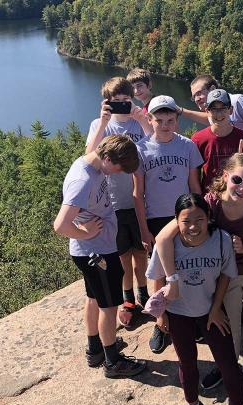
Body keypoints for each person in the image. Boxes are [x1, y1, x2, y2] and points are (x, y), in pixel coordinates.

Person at [154, 153, 243, 405]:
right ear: (225, 176)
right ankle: (226, 366)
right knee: (226, 325)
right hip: (222, 276)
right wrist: (172, 280)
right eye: (237, 180)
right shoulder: (209, 204)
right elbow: (165, 237)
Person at [145, 193, 243, 405]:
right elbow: (155, 279)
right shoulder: (168, 246)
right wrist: (161, 316)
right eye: (186, 220)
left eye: (199, 219)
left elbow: (226, 275)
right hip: (179, 312)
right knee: (187, 363)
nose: (193, 226)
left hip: (210, 311)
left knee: (227, 364)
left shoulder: (222, 241)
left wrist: (216, 309)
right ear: (176, 221)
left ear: (209, 218)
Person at [53, 134, 146, 378]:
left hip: (94, 250)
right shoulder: (83, 180)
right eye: (118, 167)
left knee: (93, 298)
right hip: (97, 254)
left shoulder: (91, 164)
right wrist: (85, 234)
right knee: (109, 306)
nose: (118, 173)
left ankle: (95, 349)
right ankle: (113, 362)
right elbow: (60, 225)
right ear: (106, 158)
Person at [132, 95, 203, 353]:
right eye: (159, 120)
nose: (164, 124)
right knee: (159, 272)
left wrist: (201, 219)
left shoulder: (187, 147)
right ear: (149, 120)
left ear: (176, 120)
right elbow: (137, 194)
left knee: (186, 266)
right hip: (156, 219)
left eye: (170, 120)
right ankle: (161, 321)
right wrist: (143, 229)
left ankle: (190, 317)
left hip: (184, 216)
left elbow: (195, 186)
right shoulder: (141, 149)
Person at [85, 77, 152, 329]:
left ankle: (144, 292)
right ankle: (129, 299)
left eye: (126, 100)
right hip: (111, 203)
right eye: (117, 102)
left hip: (137, 199)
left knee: (139, 251)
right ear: (107, 103)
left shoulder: (139, 122)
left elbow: (153, 147)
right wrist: (103, 122)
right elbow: (88, 156)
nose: (123, 105)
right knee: (122, 254)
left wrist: (143, 121)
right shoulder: (99, 124)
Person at [191, 88, 243, 190]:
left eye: (223, 108)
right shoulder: (198, 139)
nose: (219, 114)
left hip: (238, 196)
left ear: (231, 110)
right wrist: (199, 202)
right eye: (214, 109)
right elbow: (193, 177)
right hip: (209, 199)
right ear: (207, 111)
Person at [181, 75, 243, 142]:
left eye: (199, 93)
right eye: (194, 97)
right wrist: (181, 111)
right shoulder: (213, 113)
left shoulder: (237, 101)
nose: (197, 99)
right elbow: (209, 119)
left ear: (212, 89)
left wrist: (237, 140)